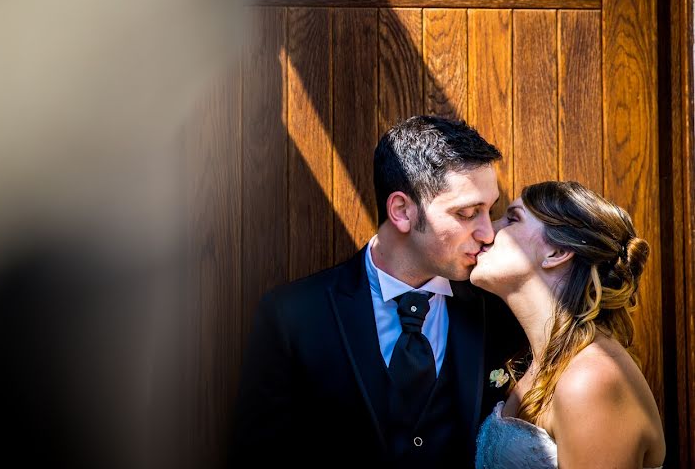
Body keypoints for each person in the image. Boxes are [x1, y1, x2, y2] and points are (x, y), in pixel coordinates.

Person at [229, 115, 523, 468]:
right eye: (467, 213)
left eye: (489, 211)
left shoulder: (501, 309)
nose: (488, 233)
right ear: (401, 211)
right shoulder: (292, 315)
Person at [470, 181, 665, 469]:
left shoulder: (592, 380)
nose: (488, 232)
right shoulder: (536, 363)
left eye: (512, 218)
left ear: (556, 253)